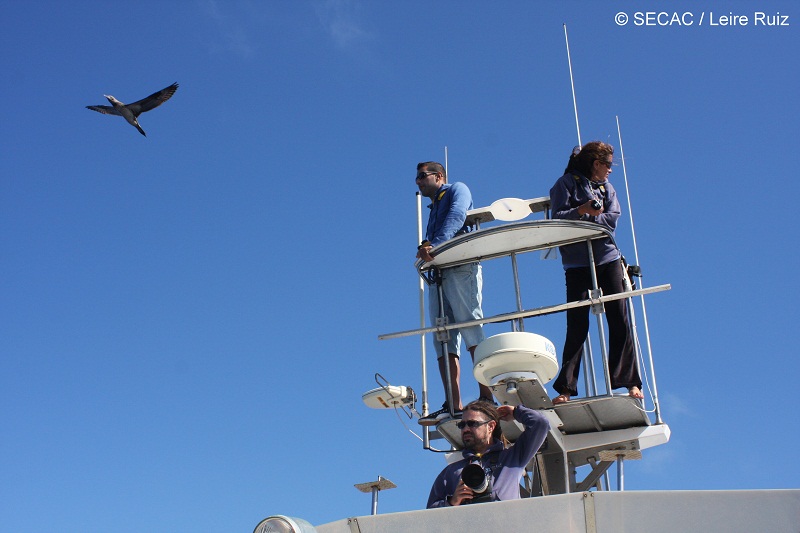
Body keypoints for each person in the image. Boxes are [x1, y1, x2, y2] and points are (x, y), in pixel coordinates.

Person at [549, 142, 643, 405]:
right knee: (577, 323)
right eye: (609, 165)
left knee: (619, 318)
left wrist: (583, 219)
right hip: (577, 264)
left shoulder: (607, 189)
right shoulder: (564, 184)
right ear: (596, 163)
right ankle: (566, 387)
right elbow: (557, 218)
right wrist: (582, 210)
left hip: (607, 258)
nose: (611, 170)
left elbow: (612, 219)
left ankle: (630, 382)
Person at [415, 162, 493, 426]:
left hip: (460, 266)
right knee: (442, 335)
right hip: (439, 273)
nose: (418, 181)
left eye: (422, 176)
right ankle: (453, 404)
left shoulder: (457, 189)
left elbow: (457, 215)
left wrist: (434, 245)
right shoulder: (434, 206)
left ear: (439, 176)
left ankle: (487, 397)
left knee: (470, 325)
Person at [426, 400, 549, 508]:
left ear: (491, 426)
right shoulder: (450, 472)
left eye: (472, 423)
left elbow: (540, 424)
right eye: (462, 425)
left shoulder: (512, 458)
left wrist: (516, 411)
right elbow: (429, 517)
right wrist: (452, 502)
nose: (466, 429)